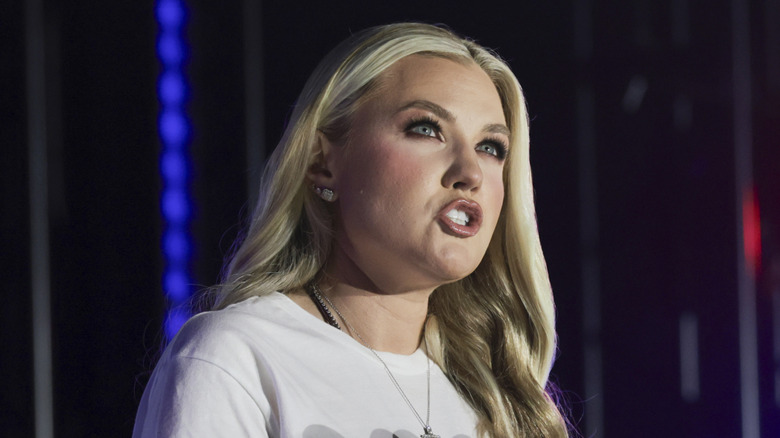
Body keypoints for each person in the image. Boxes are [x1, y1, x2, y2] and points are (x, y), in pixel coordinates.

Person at [133, 22, 570, 438]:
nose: (470, 172)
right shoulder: (237, 356)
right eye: (426, 129)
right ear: (323, 163)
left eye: (491, 147)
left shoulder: (502, 399)